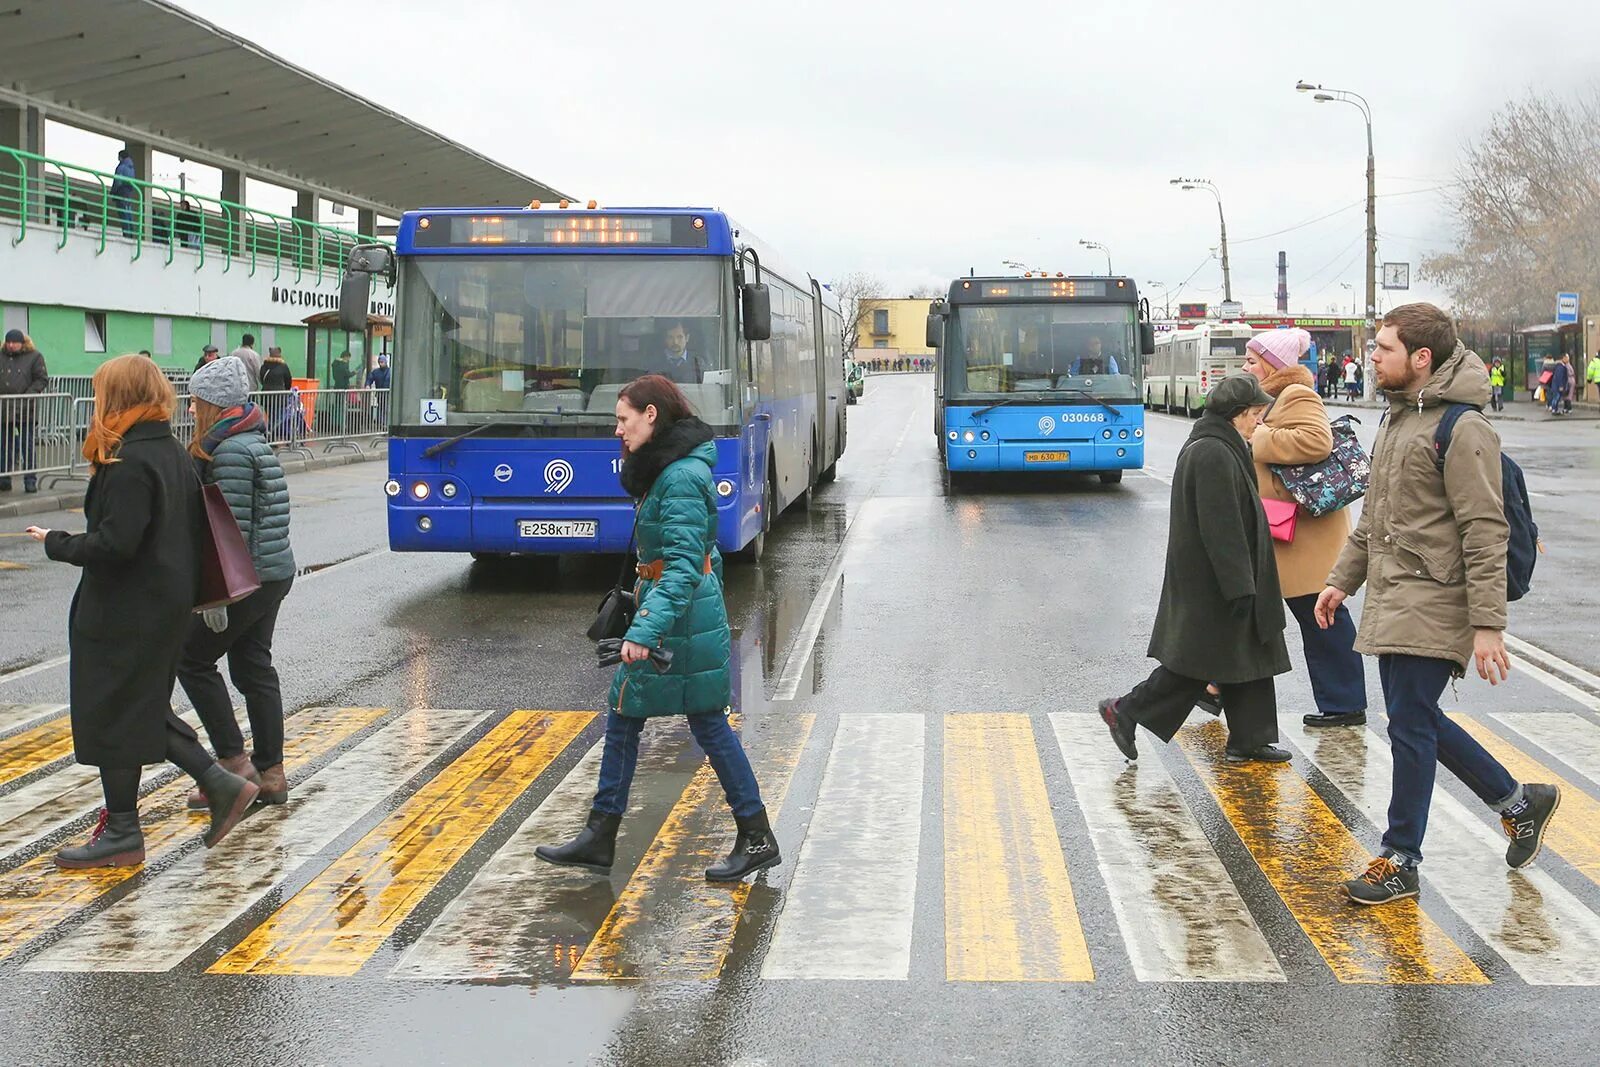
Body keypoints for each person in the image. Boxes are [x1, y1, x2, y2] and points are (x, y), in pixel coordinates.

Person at [1317, 303, 1559, 906]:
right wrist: (1340, 580)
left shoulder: (1463, 428)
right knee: (1412, 718)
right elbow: (1373, 521)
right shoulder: (1398, 420)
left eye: (1384, 348)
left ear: (1421, 358)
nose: (1372, 356)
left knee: (1410, 724)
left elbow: (1484, 530)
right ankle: (1519, 803)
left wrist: (1487, 625)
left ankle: (1401, 856)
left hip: (1439, 598)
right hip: (1396, 597)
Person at [537, 374, 780, 881]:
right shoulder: (666, 471)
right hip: (675, 612)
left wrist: (644, 631)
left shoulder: (681, 478)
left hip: (681, 617)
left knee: (704, 722)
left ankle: (754, 835)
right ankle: (601, 834)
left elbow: (685, 564)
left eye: (623, 420)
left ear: (652, 415)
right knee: (628, 714)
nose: (618, 431)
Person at [24, 355, 259, 869]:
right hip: (160, 605)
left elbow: (117, 544)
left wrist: (57, 542)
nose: (97, 400)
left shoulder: (130, 460)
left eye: (102, 391)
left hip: (125, 611)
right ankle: (172, 807)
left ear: (120, 396)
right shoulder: (171, 451)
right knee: (135, 709)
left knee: (115, 711)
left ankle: (144, 822)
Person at [1098, 374, 1293, 765]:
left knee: (1246, 654)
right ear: (1236, 414)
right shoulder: (1213, 453)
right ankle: (1125, 709)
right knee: (1197, 663)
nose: (1259, 421)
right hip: (1217, 582)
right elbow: (1221, 528)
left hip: (1224, 577)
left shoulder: (1222, 444)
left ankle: (1249, 738)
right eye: (1255, 413)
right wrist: (1239, 585)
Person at [177, 357, 296, 811]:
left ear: (215, 405)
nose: (191, 412)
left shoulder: (227, 451)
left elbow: (228, 532)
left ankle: (233, 764)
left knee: (190, 659)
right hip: (272, 573)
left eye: (196, 403)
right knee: (252, 668)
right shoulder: (251, 440)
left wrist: (216, 596)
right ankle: (271, 774)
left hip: (248, 578)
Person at [1241, 329, 1367, 727]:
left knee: (1322, 618)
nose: (1245, 366)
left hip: (1306, 533)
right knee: (1252, 614)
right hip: (1283, 529)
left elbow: (1317, 441)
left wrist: (1258, 436)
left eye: (1251, 360)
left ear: (1272, 365)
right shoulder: (1267, 399)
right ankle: (1214, 688)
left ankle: (1345, 705)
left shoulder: (1297, 394)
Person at [1, 329, 49, 494]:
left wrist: (27, 396)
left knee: (26, 446)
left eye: (14, 342)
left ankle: (30, 480)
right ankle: (4, 479)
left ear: (22, 343)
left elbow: (41, 379)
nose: (11, 345)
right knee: (4, 446)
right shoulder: (2, 356)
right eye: (8, 342)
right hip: (4, 408)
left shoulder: (34, 356)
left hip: (25, 408)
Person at [648, 320, 706, 384]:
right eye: (670, 337)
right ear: (665, 339)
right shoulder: (654, 362)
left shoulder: (697, 361)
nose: (675, 342)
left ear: (687, 338)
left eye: (679, 337)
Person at [110, 150, 138, 238]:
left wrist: (113, 192)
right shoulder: (131, 168)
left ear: (121, 157)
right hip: (128, 193)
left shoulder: (121, 167)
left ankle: (126, 234)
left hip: (121, 192)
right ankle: (130, 233)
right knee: (128, 213)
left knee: (123, 214)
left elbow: (117, 181)